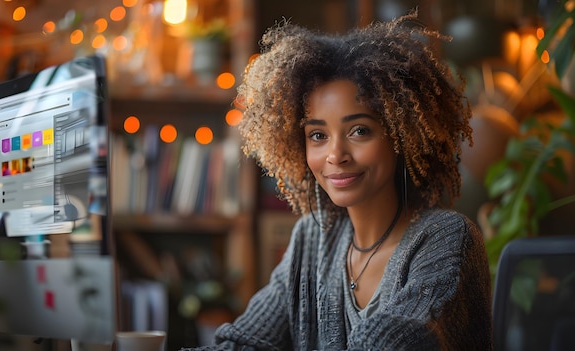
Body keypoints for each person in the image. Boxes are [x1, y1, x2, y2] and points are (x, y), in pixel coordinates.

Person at [185, 12, 493, 350]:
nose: (335, 155)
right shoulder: (311, 241)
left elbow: (393, 343)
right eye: (317, 135)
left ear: (401, 136)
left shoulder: (446, 238)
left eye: (359, 130)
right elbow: (245, 343)